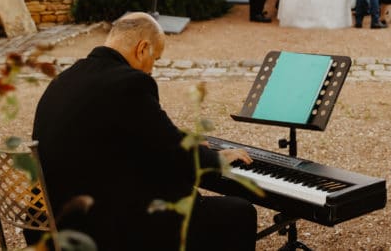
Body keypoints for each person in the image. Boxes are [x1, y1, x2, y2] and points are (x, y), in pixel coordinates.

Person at [31, 13, 257, 251]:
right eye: (156, 59)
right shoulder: (129, 83)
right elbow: (174, 154)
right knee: (238, 213)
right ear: (143, 48)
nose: (152, 69)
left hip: (52, 223)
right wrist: (217, 159)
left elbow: (145, 133)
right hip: (100, 231)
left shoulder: (66, 78)